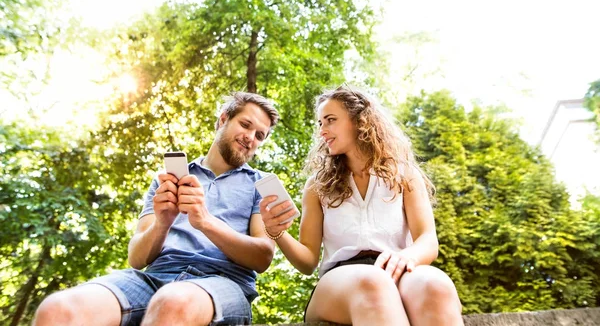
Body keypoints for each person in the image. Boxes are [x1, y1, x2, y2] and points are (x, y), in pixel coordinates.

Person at [34, 92, 280, 326]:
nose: (251, 137)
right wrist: (163, 222)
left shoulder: (262, 185)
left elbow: (262, 257)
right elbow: (137, 258)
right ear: (223, 119)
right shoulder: (168, 179)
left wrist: (205, 221)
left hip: (222, 284)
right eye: (246, 125)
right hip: (154, 277)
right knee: (58, 309)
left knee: (173, 302)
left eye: (260, 135)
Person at [260, 85, 464, 326]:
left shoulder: (405, 174)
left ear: (360, 121)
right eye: (320, 123)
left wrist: (407, 257)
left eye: (330, 120)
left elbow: (428, 241)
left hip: (396, 270)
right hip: (339, 282)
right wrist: (277, 232)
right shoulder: (317, 186)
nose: (322, 131)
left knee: (435, 285)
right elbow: (307, 262)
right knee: (372, 282)